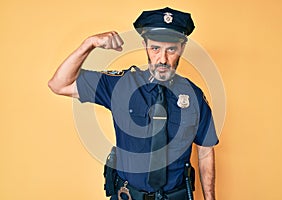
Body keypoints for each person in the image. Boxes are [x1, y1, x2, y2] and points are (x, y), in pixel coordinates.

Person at [48, 7, 219, 200]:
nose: (162, 59)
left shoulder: (194, 95)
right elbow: (59, 84)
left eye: (171, 49)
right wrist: (88, 44)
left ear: (182, 48)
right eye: (155, 48)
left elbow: (205, 151)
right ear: (145, 45)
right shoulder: (120, 85)